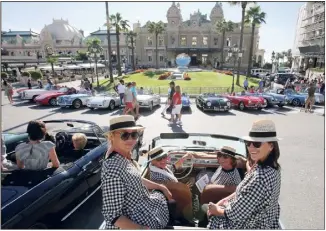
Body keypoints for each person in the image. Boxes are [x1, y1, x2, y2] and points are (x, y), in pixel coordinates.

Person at [207, 119, 281, 229]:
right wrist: (224, 200)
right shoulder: (272, 167)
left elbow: (235, 214)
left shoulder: (260, 178)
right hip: (265, 219)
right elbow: (245, 193)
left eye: (257, 144)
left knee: (211, 217)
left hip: (249, 225)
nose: (251, 148)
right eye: (248, 143)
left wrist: (215, 209)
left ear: (271, 146)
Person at [101, 115, 173, 229]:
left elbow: (136, 178)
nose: (130, 140)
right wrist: (141, 229)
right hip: (135, 221)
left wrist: (161, 186)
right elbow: (113, 216)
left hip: (144, 209)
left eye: (134, 135)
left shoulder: (122, 156)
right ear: (112, 136)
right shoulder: (112, 169)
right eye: (124, 135)